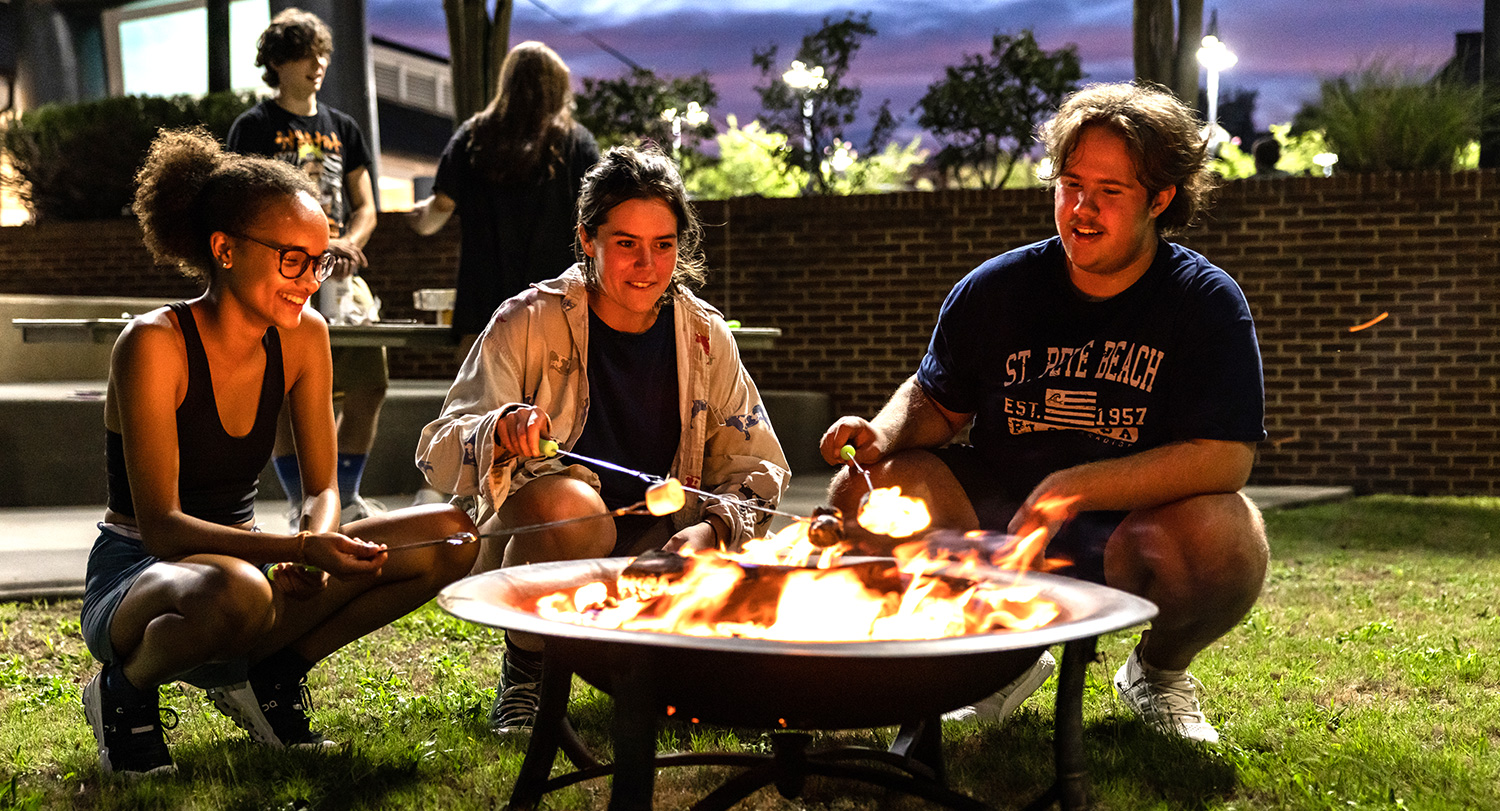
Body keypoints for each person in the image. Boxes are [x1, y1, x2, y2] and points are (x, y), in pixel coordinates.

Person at [820, 82, 1268, 744]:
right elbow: (936, 400)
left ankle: (1157, 670)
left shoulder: (1203, 301)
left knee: (1226, 539)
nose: (1082, 209)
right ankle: (1003, 657)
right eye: (1070, 183)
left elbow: (1225, 455)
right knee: (864, 494)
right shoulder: (996, 287)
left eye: (1110, 192)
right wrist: (879, 432)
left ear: (1160, 198)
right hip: (1000, 520)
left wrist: (1076, 486)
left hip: (1127, 530)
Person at [79, 128, 478, 777]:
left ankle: (269, 678)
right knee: (240, 591)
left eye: (318, 260)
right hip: (143, 576)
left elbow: (323, 489)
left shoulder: (304, 336)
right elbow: (163, 525)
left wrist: (315, 545)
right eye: (292, 258)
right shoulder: (154, 343)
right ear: (225, 249)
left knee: (452, 537)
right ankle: (123, 692)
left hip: (248, 572)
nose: (309, 279)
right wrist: (295, 549)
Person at [416, 145, 789, 736]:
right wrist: (500, 431)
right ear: (587, 239)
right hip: (552, 546)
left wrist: (708, 531)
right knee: (572, 505)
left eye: (663, 245)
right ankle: (528, 669)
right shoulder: (528, 320)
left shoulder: (705, 337)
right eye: (626, 244)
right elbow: (438, 451)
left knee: (757, 604)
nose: (646, 264)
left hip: (664, 549)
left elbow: (758, 466)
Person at [228, 7, 388, 526]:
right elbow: (240, 204)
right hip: (281, 278)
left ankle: (346, 494)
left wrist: (348, 243)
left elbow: (366, 205)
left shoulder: (342, 126)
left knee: (370, 380)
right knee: (280, 391)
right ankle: (304, 502)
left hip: (341, 279)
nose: (316, 63)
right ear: (277, 62)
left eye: (320, 53)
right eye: (303, 54)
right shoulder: (254, 127)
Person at [409, 40, 600, 358]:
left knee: (478, 404)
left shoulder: (473, 136)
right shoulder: (577, 143)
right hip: (557, 305)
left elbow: (438, 210)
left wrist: (416, 219)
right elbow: (600, 213)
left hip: (483, 308)